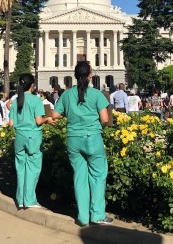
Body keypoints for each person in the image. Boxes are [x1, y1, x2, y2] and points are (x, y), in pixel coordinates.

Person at [51, 61, 113, 226]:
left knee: (79, 176)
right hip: (92, 137)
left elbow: (56, 115)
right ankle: (97, 214)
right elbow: (105, 119)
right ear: (90, 75)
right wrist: (99, 128)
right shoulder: (96, 94)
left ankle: (83, 217)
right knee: (98, 176)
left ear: (75, 75)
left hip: (73, 139)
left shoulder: (66, 95)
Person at [9, 74, 53, 209]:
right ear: (32, 85)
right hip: (33, 136)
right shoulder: (36, 100)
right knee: (33, 169)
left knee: (20, 168)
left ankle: (20, 199)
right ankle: (29, 200)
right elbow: (39, 121)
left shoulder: (16, 101)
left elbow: (11, 123)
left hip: (20, 136)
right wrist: (48, 120)